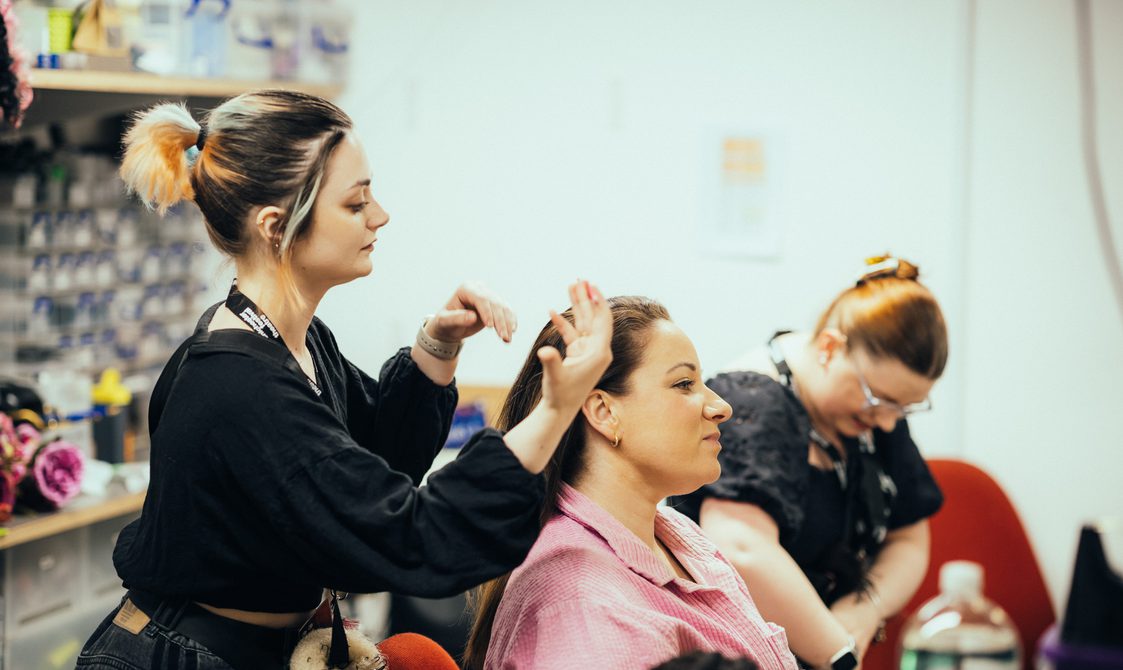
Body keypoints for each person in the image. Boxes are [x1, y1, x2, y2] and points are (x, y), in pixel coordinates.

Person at [76, 90, 614, 670]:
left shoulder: (296, 343)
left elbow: (376, 464)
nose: (380, 216)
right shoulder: (237, 386)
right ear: (276, 227)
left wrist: (437, 344)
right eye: (356, 203)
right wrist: (554, 409)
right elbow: (408, 535)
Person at [463, 297, 798, 670]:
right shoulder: (580, 603)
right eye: (684, 383)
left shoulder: (679, 533)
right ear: (605, 412)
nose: (721, 407)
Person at [672, 255, 948, 669]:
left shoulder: (877, 410)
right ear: (830, 348)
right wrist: (839, 653)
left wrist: (865, 609)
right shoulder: (754, 401)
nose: (888, 423)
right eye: (879, 400)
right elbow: (741, 546)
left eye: (905, 408)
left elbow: (909, 538)